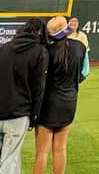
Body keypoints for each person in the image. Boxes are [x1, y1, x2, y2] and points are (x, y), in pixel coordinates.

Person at [33, 16, 85, 174]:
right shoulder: (80, 47)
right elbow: (84, 74)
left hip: (48, 104)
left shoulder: (45, 50)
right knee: (60, 149)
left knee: (42, 152)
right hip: (69, 102)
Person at [0, 18, 49, 174]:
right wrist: (35, 116)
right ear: (41, 32)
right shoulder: (40, 52)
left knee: (11, 158)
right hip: (19, 114)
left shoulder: (4, 48)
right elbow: (38, 88)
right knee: (9, 159)